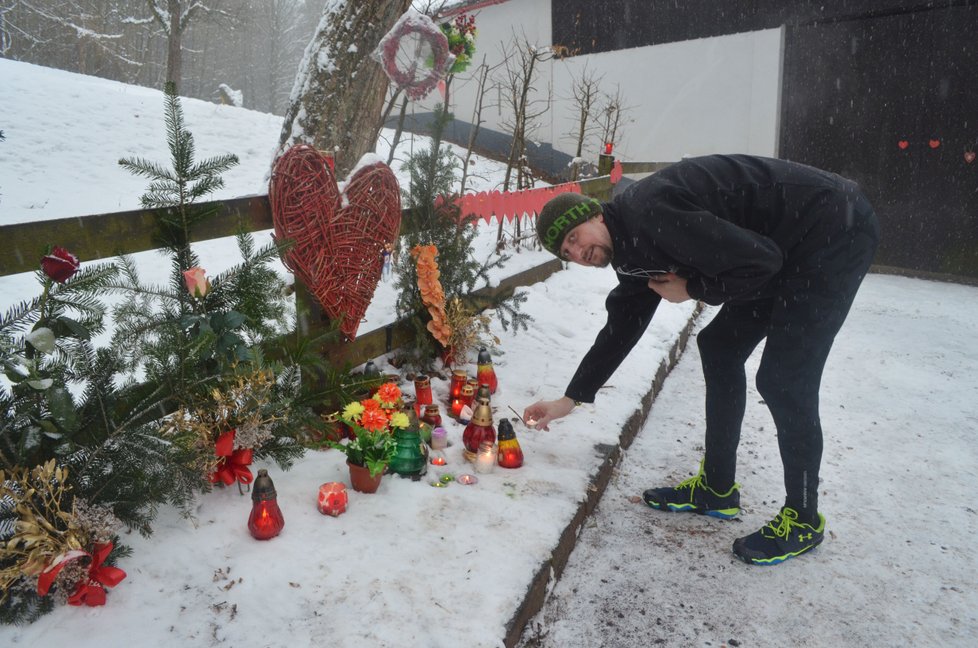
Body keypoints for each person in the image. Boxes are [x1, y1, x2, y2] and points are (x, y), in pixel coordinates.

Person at [523, 154, 879, 566]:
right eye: (566, 251)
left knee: (784, 379)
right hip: (786, 244)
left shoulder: (652, 216)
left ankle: (803, 519)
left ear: (597, 215)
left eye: (574, 235)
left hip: (832, 229)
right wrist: (570, 399)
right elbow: (624, 323)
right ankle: (717, 488)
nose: (577, 250)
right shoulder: (630, 246)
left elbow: (761, 261)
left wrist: (693, 286)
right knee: (720, 345)